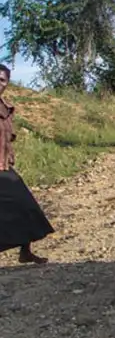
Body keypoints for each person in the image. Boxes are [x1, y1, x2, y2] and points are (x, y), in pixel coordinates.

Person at [0, 65, 54, 264]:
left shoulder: (5, 107)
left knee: (25, 206)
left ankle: (25, 251)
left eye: (3, 81)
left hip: (4, 165)